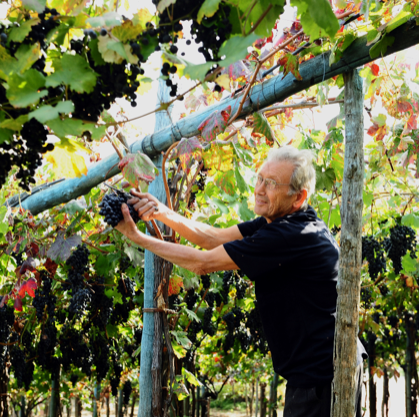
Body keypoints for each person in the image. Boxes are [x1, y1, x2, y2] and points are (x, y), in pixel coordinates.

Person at [114, 145, 363, 417]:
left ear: (298, 197)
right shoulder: (281, 222)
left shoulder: (290, 235)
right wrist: (161, 212)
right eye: (260, 178)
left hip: (321, 376)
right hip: (324, 369)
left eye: (271, 183)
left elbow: (202, 262)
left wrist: (138, 238)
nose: (259, 189)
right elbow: (212, 237)